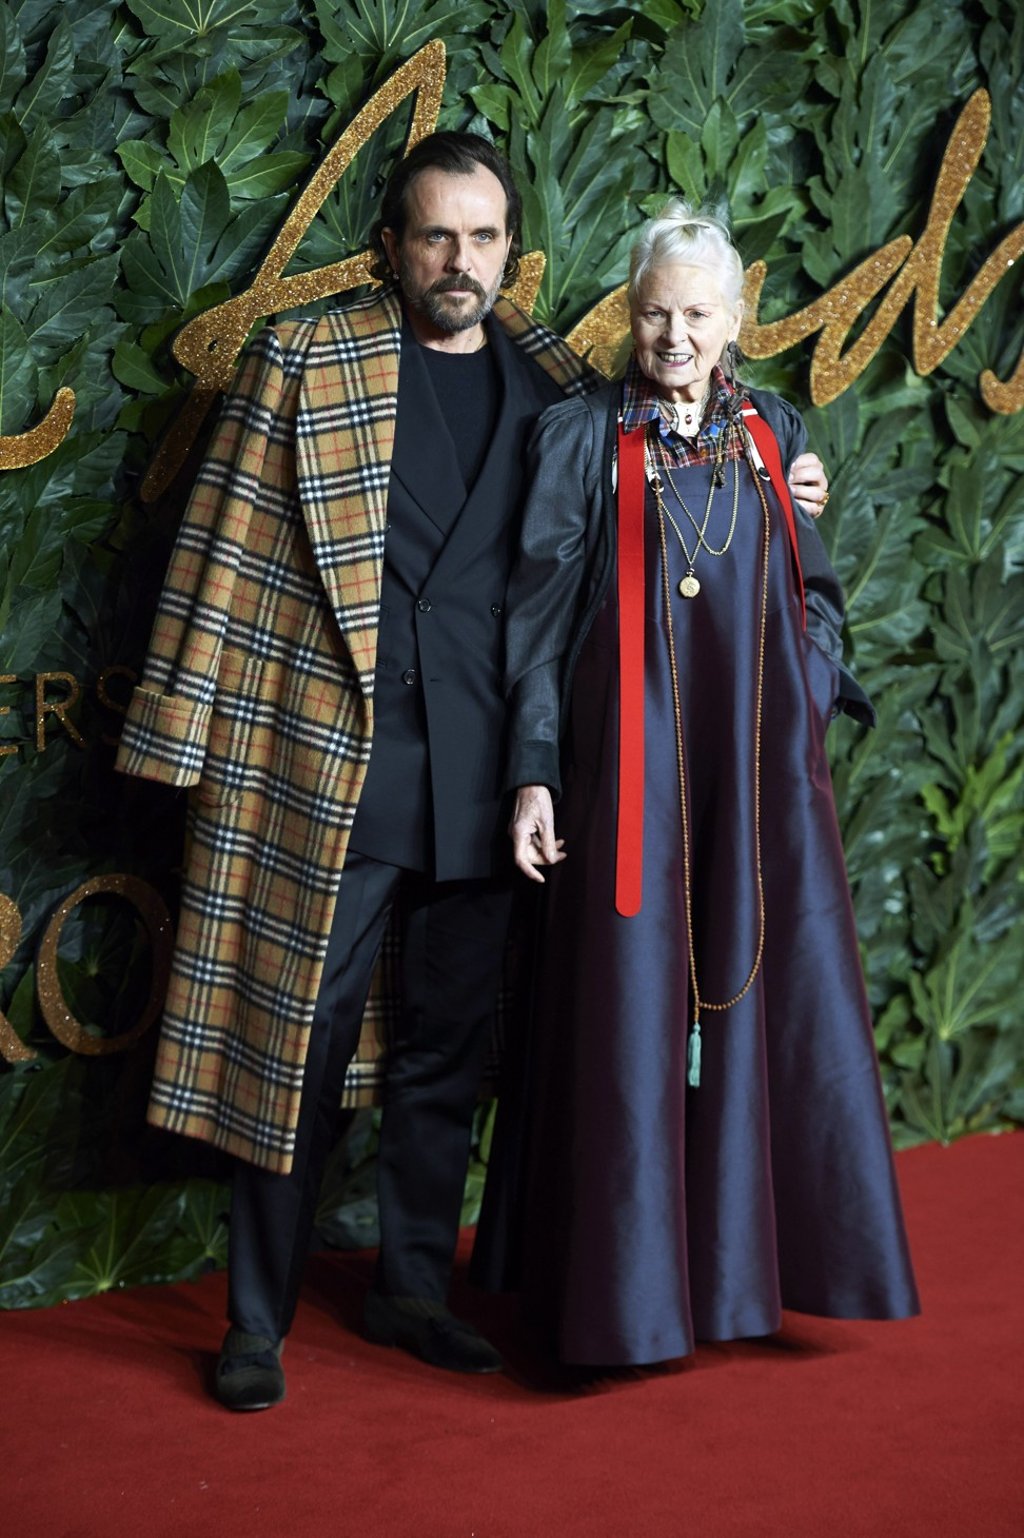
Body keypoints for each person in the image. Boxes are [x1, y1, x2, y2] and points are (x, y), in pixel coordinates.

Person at [117, 139, 828, 1410]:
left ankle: (410, 1288)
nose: (462, 262)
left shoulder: (556, 381)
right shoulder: (306, 357)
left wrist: (792, 473)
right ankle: (256, 1320)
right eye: (437, 237)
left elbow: (691, 416)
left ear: (513, 246)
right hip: (339, 763)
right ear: (389, 245)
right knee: (300, 1042)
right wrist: (174, 728)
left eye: (485, 237)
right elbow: (215, 542)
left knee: (449, 1047)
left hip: (495, 777)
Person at [483, 199, 918, 1366]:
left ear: (737, 318)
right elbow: (532, 626)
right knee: (628, 1019)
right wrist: (534, 777)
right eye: (652, 311)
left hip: (755, 783)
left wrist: (808, 698)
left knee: (755, 1009)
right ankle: (627, 1304)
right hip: (629, 786)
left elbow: (815, 596)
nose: (672, 333)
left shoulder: (775, 431)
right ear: (631, 314)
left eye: (695, 313)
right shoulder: (580, 437)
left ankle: (734, 1291)